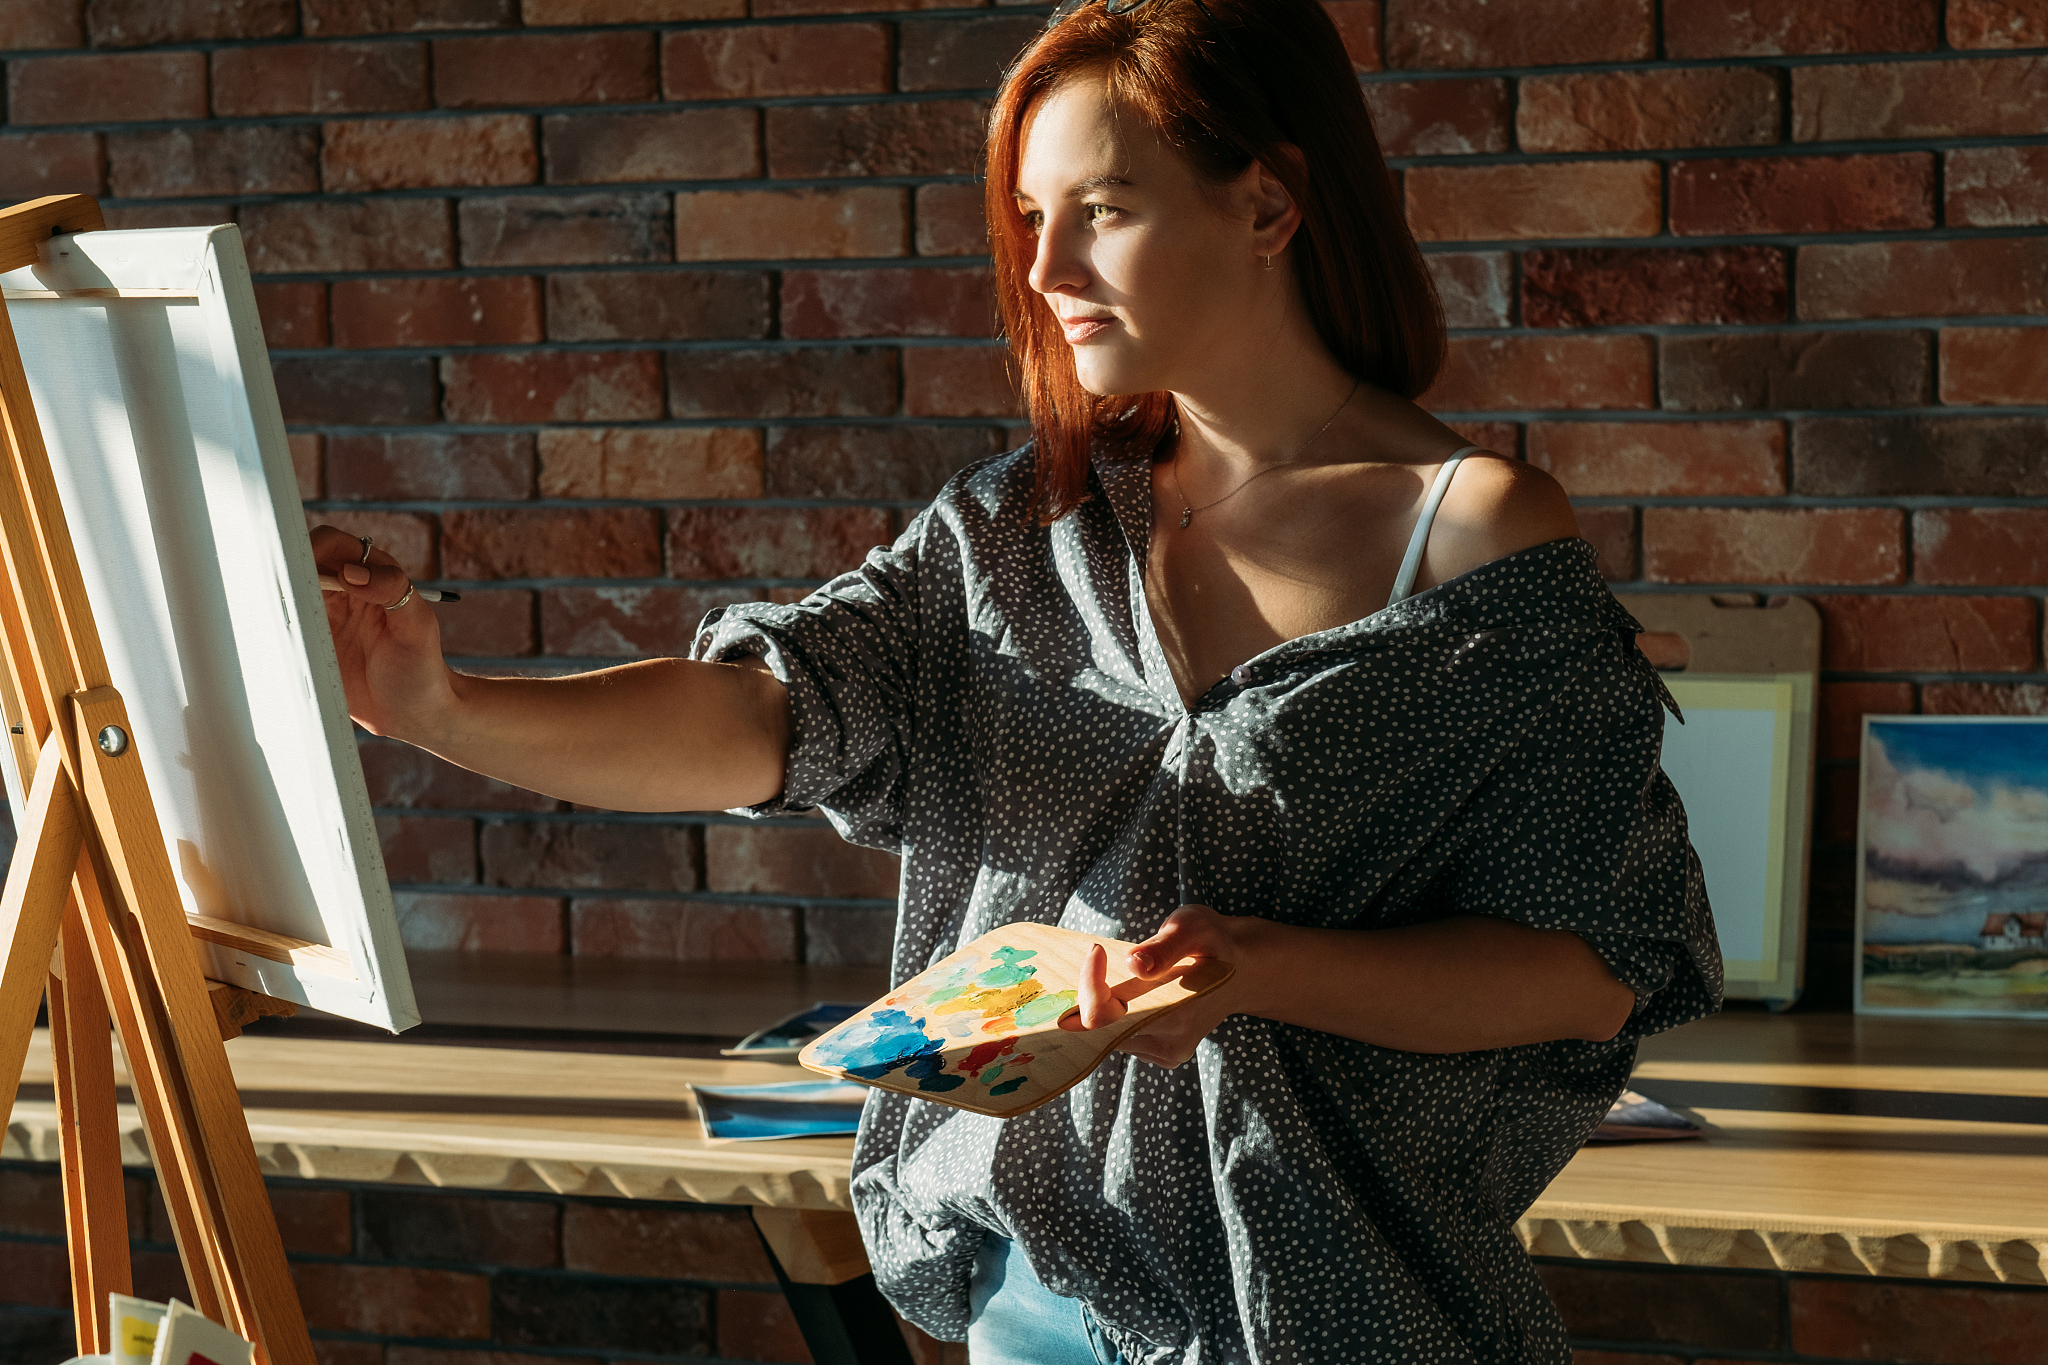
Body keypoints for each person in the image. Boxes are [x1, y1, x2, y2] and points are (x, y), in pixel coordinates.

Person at [314, 0, 1720, 1358]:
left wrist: (1257, 970)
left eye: (1101, 211)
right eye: (1032, 220)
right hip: (1037, 1313)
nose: (1047, 271)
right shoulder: (1010, 533)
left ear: (1269, 207)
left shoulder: (1475, 536)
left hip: (1347, 1312)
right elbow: (759, 717)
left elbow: (1591, 967)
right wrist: (443, 707)